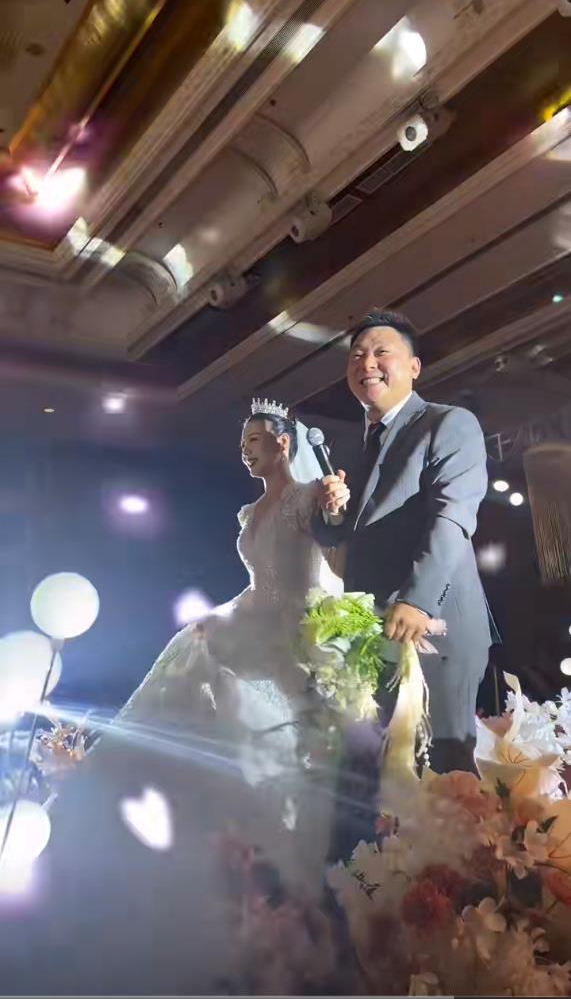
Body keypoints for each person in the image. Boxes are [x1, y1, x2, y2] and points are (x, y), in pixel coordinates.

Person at [8, 402, 342, 996]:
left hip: (295, 625)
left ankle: (273, 865)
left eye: (257, 440)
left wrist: (336, 515)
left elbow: (333, 564)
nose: (247, 451)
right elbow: (259, 579)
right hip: (250, 611)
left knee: (255, 717)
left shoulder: (313, 495)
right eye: (243, 442)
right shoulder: (251, 509)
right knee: (194, 663)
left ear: (285, 444)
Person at [313, 308, 492, 782]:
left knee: (444, 774)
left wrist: (417, 600)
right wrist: (332, 511)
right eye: (357, 355)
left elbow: (452, 517)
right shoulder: (352, 444)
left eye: (380, 352)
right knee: (388, 779)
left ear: (413, 367)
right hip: (371, 632)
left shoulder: (448, 423)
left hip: (435, 623)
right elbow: (334, 534)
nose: (366, 363)